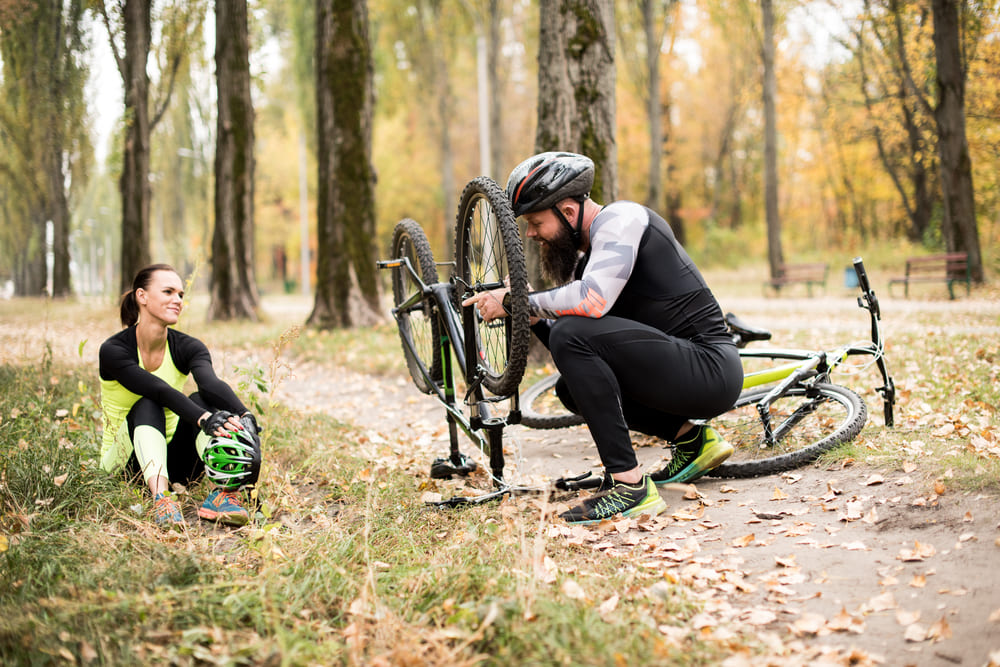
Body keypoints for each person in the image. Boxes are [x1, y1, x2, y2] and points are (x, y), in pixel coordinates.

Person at [464, 152, 743, 525]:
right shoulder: (590, 260)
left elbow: (589, 303)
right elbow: (580, 348)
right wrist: (528, 314)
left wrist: (516, 300)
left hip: (710, 367)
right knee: (569, 387)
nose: (531, 234)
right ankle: (693, 442)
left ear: (567, 210)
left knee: (570, 328)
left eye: (536, 222)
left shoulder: (621, 219)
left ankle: (629, 486)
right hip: (681, 369)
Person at [99, 264, 262, 528]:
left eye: (181, 295)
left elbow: (210, 384)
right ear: (142, 296)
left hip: (178, 467)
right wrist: (205, 419)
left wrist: (245, 415)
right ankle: (161, 499)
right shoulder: (114, 350)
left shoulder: (188, 346)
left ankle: (224, 495)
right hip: (124, 467)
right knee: (150, 403)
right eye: (168, 292)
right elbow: (158, 389)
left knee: (202, 400)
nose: (177, 300)